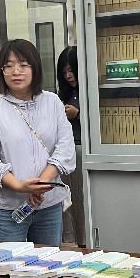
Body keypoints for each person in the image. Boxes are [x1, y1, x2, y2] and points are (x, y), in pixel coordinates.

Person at [0, 39, 76, 245]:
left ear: (35, 68)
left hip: (48, 205)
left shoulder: (52, 102)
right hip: (8, 208)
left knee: (48, 262)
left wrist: (39, 184)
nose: (16, 71)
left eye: (23, 65)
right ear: (2, 71)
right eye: (9, 66)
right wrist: (21, 187)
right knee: (8, 263)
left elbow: (65, 148)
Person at [56, 46, 86, 246]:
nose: (68, 76)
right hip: (66, 153)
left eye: (71, 70)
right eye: (64, 71)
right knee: (69, 201)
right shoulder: (63, 94)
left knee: (82, 200)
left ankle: (85, 240)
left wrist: (78, 115)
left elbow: (102, 125)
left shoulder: (89, 91)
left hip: (84, 151)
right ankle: (71, 240)